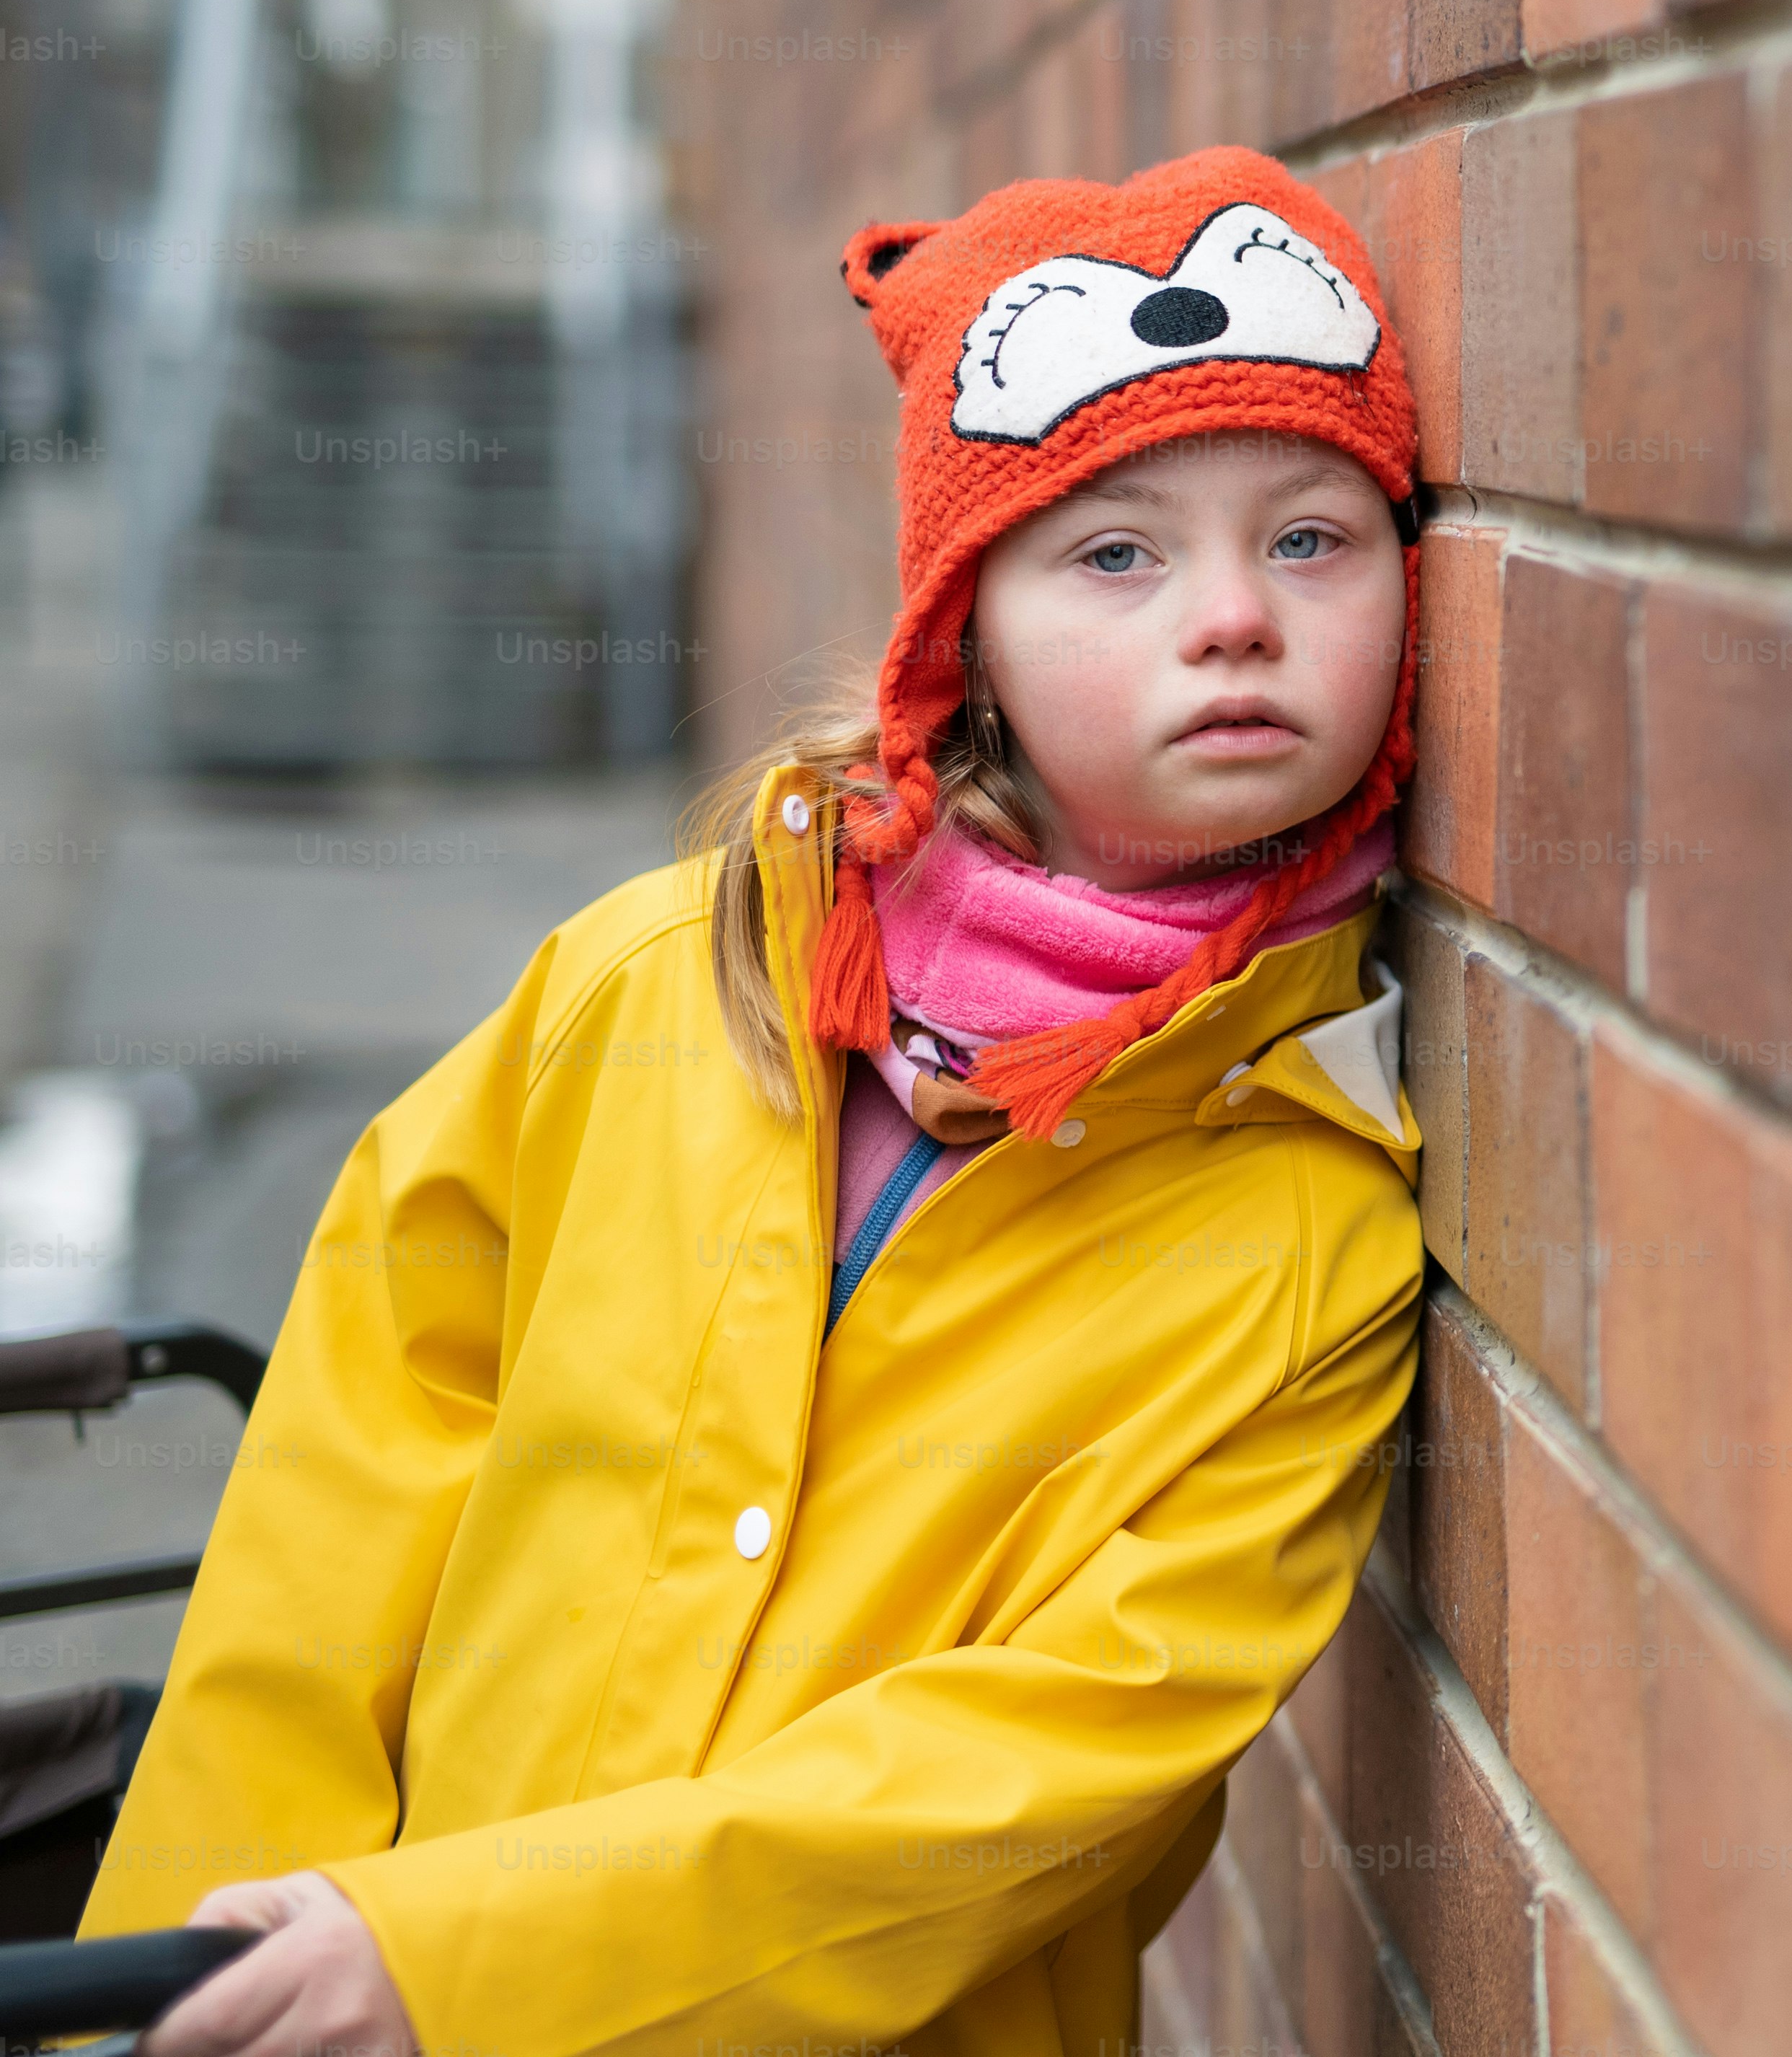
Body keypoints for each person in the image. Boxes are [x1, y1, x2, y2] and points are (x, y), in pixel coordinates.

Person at [78, 146, 1434, 2057]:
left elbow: (1044, 1772)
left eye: (1313, 538)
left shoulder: (1311, 1234)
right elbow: (355, 1463)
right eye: (1116, 554)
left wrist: (464, 1965)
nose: (1232, 618)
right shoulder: (652, 986)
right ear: (963, 641)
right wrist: (196, 1955)